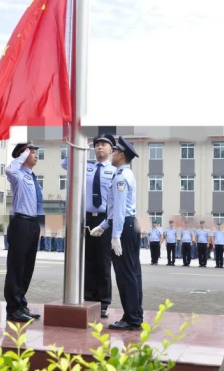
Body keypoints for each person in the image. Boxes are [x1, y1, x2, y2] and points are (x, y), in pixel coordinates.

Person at [62, 133, 117, 318]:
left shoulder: (115, 170)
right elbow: (65, 164)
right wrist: (80, 147)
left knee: (103, 261)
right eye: (97, 145)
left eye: (103, 144)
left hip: (104, 220)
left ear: (111, 149)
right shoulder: (86, 167)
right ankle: (88, 297)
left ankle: (103, 302)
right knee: (87, 260)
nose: (99, 147)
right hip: (86, 218)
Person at [91, 136, 142, 330]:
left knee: (125, 274)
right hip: (128, 224)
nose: (111, 153)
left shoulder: (121, 177)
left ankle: (131, 319)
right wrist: (104, 226)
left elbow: (120, 209)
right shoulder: (124, 174)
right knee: (133, 272)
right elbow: (117, 210)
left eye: (114, 151)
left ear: (121, 154)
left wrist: (115, 235)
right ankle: (136, 314)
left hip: (124, 227)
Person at [4, 142, 44, 322]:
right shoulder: (18, 175)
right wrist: (21, 155)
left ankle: (21, 305)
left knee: (27, 268)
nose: (36, 155)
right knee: (16, 267)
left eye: (36, 152)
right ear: (23, 154)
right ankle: (13, 308)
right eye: (32, 152)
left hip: (33, 224)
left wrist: (39, 227)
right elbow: (9, 170)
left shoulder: (34, 178)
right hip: (20, 223)